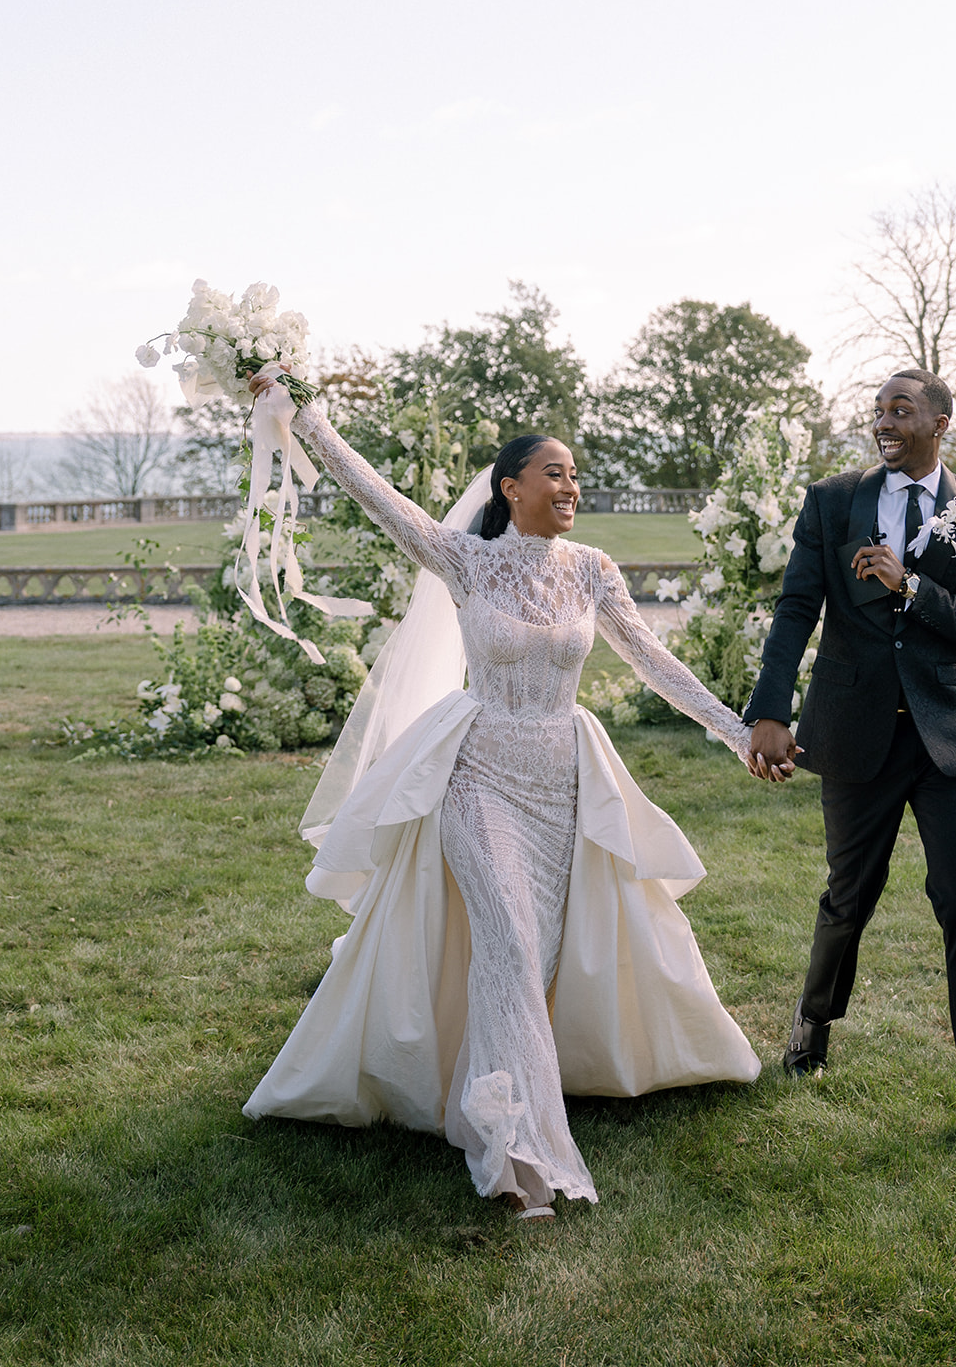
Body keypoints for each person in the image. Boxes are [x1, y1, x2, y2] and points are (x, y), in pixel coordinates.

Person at [241, 379, 760, 1218]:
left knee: (535, 959)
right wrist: (304, 414)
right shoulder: (465, 561)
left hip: (561, 783)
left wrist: (736, 732)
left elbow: (652, 663)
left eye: (576, 476)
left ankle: (503, 1096)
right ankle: (514, 1151)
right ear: (508, 486)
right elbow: (378, 496)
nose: (570, 489)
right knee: (511, 948)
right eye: (554, 474)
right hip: (477, 775)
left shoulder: (592, 571)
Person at [743, 368, 956, 1168]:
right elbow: (798, 606)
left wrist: (915, 588)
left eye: (900, 410)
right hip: (855, 731)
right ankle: (813, 1023)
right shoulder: (833, 500)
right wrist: (769, 711)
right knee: (848, 898)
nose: (883, 421)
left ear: (941, 421)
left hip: (945, 740)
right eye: (877, 410)